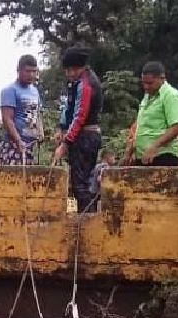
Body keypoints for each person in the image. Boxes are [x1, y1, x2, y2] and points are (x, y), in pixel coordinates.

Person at [51, 47, 104, 214]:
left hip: (86, 137)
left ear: (79, 67)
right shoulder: (76, 83)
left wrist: (65, 144)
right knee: (78, 183)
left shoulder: (86, 85)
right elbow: (68, 107)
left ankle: (87, 222)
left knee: (82, 185)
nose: (68, 73)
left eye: (70, 70)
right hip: (79, 136)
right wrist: (61, 127)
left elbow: (80, 117)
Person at [124, 62, 178, 168]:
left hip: (163, 156)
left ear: (162, 78)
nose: (146, 87)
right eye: (144, 83)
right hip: (144, 157)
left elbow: (177, 126)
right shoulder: (147, 96)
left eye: (150, 83)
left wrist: (154, 146)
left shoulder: (171, 96)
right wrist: (130, 150)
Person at [0, 55, 43, 165]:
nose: (31, 75)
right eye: (28, 71)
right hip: (13, 145)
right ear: (19, 70)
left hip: (31, 145)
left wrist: (40, 130)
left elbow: (37, 113)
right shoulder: (9, 90)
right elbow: (7, 119)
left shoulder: (35, 91)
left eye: (34, 71)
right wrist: (18, 141)